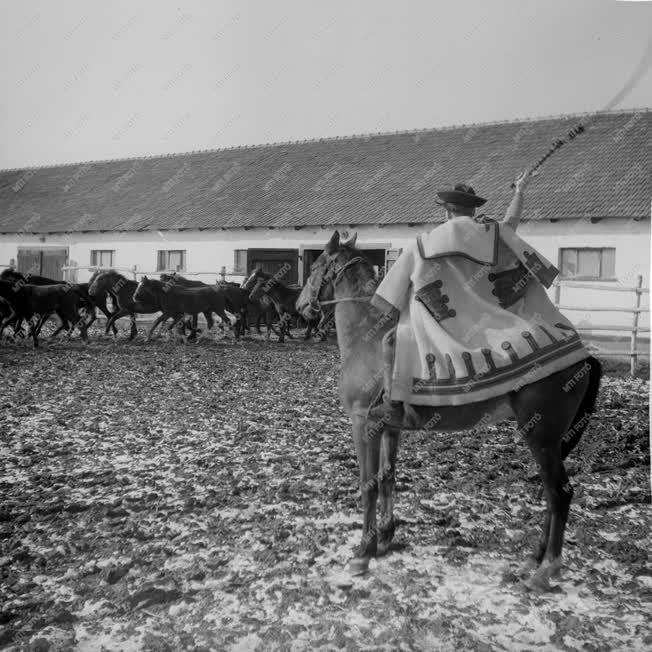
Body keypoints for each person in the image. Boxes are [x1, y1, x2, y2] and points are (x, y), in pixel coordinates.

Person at [368, 170, 587, 427]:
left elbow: (387, 299)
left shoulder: (421, 244)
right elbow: (512, 222)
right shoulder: (493, 234)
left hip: (440, 328)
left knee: (393, 339)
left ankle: (393, 406)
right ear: (472, 211)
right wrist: (519, 191)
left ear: (447, 211)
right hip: (492, 324)